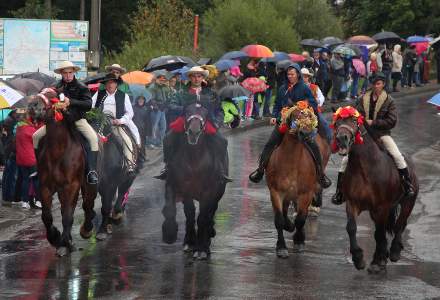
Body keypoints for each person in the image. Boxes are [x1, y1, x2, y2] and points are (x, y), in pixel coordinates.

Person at [331, 72, 415, 205]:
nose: (376, 86)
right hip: (364, 135)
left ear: (383, 84)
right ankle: (339, 192)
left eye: (378, 84)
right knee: (344, 161)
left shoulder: (389, 100)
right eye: (374, 84)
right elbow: (353, 113)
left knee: (397, 156)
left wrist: (374, 122)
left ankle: (407, 184)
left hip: (382, 134)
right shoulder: (362, 98)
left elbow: (392, 121)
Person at [249, 63, 331, 188]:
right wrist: (274, 117)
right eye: (288, 74)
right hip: (284, 122)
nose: (290, 76)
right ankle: (260, 170)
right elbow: (277, 105)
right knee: (270, 143)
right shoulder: (282, 88)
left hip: (301, 122)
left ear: (298, 74)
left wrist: (304, 107)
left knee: (313, 144)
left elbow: (313, 104)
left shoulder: (304, 88)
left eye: (292, 74)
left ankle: (320, 174)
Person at [155, 66, 230, 181]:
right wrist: (185, 109)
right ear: (190, 78)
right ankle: (168, 166)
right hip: (185, 121)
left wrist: (218, 122)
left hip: (207, 122)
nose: (196, 79)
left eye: (199, 76)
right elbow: (172, 106)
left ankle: (220, 169)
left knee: (222, 141)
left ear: (202, 77)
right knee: (167, 139)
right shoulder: (181, 93)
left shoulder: (211, 94)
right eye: (193, 76)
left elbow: (219, 110)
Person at [32, 61, 99, 184]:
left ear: (74, 72)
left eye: (70, 73)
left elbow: (88, 105)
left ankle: (91, 171)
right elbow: (48, 100)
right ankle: (39, 168)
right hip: (58, 121)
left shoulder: (81, 86)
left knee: (93, 139)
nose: (68, 75)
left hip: (77, 120)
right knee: (35, 136)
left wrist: (71, 102)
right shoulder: (55, 86)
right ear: (61, 74)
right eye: (65, 73)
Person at [92, 73, 141, 173]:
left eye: (113, 82)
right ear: (105, 84)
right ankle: (91, 165)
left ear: (116, 84)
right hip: (100, 123)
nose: (110, 85)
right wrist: (96, 116)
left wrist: (120, 120)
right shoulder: (98, 94)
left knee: (126, 140)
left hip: (116, 123)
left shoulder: (123, 95)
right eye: (108, 82)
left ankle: (129, 163)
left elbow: (130, 112)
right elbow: (91, 107)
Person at [16, 112, 41, 209]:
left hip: (20, 159)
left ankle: (25, 202)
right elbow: (38, 139)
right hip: (31, 159)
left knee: (25, 180)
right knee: (35, 180)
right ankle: (38, 200)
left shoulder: (18, 129)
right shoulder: (31, 130)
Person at [147, 70, 172, 148]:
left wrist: (169, 90)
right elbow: (151, 99)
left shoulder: (164, 87)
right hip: (156, 109)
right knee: (154, 126)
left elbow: (169, 95)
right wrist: (156, 107)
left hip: (162, 109)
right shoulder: (152, 87)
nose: (162, 80)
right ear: (156, 79)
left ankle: (160, 142)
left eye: (163, 79)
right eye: (160, 79)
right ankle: (151, 142)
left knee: (163, 126)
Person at [133, 95, 151, 160]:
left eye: (142, 100)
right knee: (135, 143)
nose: (141, 101)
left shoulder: (146, 109)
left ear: (144, 101)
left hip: (142, 129)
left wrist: (148, 131)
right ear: (137, 100)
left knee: (143, 144)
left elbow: (148, 121)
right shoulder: (133, 108)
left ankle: (143, 156)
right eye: (139, 99)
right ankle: (136, 157)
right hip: (134, 129)